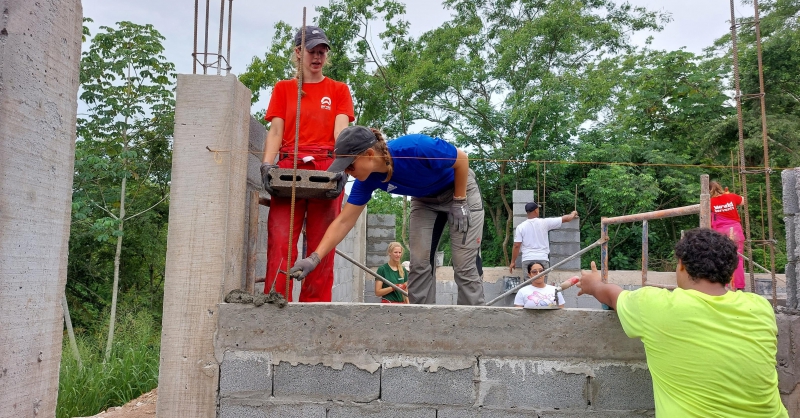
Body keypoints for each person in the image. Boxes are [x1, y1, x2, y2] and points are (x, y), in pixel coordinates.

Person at [576, 228, 788, 417]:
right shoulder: (760, 308)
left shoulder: (656, 305)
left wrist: (593, 284)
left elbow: (611, 295)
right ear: (731, 271)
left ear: (683, 267)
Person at [289, 125, 485, 305]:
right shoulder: (367, 181)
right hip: (425, 200)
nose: (348, 173)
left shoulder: (415, 148)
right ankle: (424, 326)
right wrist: (314, 258)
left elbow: (462, 160)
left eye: (350, 166)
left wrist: (459, 201)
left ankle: (475, 326)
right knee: (420, 264)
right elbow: (343, 221)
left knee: (463, 265)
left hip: (459, 190)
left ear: (368, 154)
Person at [260, 25, 355, 302]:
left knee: (321, 246)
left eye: (322, 52)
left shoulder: (338, 90)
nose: (318, 57)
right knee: (280, 240)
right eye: (312, 51)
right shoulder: (284, 89)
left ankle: (315, 308)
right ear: (298, 52)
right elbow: (276, 131)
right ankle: (276, 302)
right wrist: (267, 165)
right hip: (288, 167)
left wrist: (342, 166)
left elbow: (341, 133)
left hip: (325, 167)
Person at [509, 202, 577, 273]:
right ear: (535, 210)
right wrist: (573, 214)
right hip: (542, 259)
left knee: (529, 283)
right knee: (542, 283)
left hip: (527, 259)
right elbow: (566, 219)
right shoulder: (544, 222)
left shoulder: (520, 227)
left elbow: (516, 245)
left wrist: (513, 262)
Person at [710, 181, 746, 290]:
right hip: (735, 231)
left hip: (720, 233)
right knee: (738, 259)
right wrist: (728, 196)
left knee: (722, 258)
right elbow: (743, 201)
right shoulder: (731, 196)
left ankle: (725, 286)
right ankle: (739, 287)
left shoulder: (709, 202)